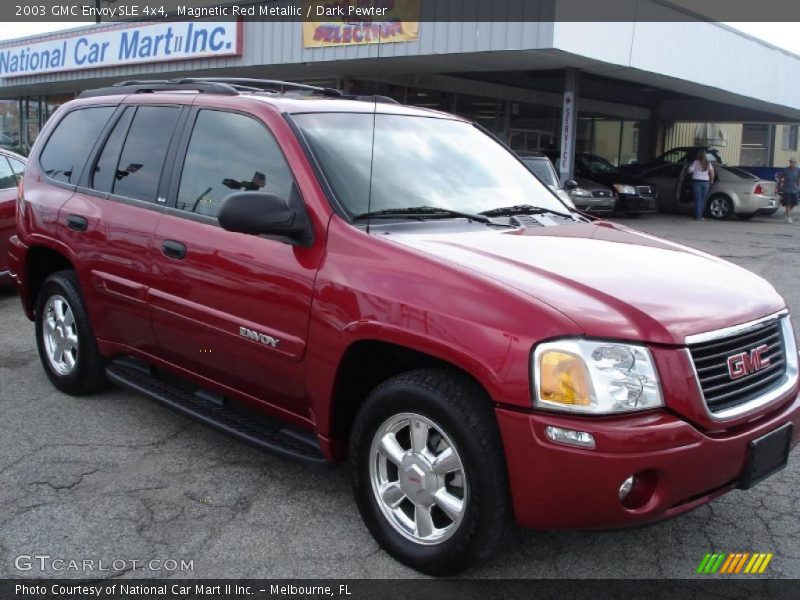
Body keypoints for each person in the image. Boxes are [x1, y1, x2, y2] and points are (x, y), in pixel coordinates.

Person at [687, 150, 715, 221]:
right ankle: (700, 216)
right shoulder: (708, 163)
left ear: (698, 155)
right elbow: (712, 172)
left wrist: (689, 168)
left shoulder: (695, 162)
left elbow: (690, 170)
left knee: (697, 200)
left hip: (696, 182)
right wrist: (711, 180)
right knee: (702, 200)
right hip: (706, 182)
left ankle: (697, 216)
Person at [778, 158, 799, 224]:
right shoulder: (785, 169)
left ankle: (786, 213)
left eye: (793, 162)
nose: (791, 163)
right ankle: (788, 217)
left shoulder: (798, 170)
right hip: (786, 189)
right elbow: (781, 177)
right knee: (787, 204)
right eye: (790, 162)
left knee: (794, 204)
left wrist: (798, 185)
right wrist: (780, 183)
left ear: (795, 163)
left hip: (795, 189)